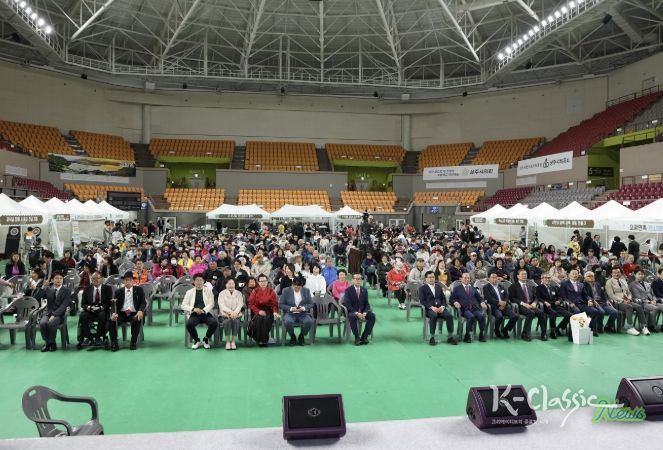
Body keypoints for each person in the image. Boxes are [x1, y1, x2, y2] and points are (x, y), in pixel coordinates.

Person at [109, 271, 146, 351]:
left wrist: (140, 311)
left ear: (133, 281)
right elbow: (113, 304)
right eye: (126, 280)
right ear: (123, 281)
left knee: (137, 318)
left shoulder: (139, 290)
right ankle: (114, 342)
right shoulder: (118, 291)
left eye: (130, 280)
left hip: (133, 313)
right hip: (122, 313)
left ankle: (133, 341)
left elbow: (143, 303)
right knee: (112, 320)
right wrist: (113, 313)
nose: (128, 282)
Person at [180, 274, 218, 349]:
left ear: (203, 281)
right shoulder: (189, 292)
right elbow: (183, 305)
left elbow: (211, 303)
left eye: (201, 280)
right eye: (197, 280)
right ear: (194, 282)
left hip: (206, 313)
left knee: (214, 323)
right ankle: (196, 340)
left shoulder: (209, 290)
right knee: (189, 324)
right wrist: (193, 309)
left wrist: (203, 310)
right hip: (194, 314)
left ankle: (206, 338)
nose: (199, 282)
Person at [419, 271, 457, 345]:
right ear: (426, 279)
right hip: (430, 309)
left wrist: (442, 306)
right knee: (434, 315)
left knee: (449, 316)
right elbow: (422, 301)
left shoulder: (438, 287)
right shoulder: (422, 288)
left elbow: (443, 299)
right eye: (430, 277)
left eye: (433, 277)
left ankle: (450, 337)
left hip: (440, 308)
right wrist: (431, 307)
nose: (432, 279)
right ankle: (432, 337)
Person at [509, 268, 547, 341]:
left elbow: (535, 297)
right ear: (518, 276)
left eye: (525, 274)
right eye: (522, 274)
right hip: (520, 306)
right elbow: (512, 298)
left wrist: (534, 302)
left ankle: (543, 333)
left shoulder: (530, 286)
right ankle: (525, 333)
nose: (524, 276)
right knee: (531, 313)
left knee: (542, 313)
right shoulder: (513, 286)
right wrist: (523, 303)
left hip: (531, 305)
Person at [560, 269, 599, 337]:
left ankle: (590, 329)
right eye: (573, 273)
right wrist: (569, 303)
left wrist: (589, 300)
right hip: (571, 304)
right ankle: (576, 332)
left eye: (576, 274)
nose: (574, 275)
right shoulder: (564, 284)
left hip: (581, 303)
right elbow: (563, 296)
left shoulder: (581, 284)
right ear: (569, 275)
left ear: (578, 275)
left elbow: (585, 295)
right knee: (578, 312)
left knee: (595, 311)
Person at [38, 271, 71, 352]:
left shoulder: (66, 290)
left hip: (60, 314)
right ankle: (47, 342)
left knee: (51, 323)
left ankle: (52, 343)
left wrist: (54, 315)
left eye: (61, 278)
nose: (59, 280)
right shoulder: (48, 289)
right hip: (48, 313)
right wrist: (43, 287)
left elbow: (64, 305)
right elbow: (38, 297)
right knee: (42, 323)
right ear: (52, 280)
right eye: (56, 278)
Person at [78, 270, 112, 346]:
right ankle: (89, 338)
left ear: (102, 279)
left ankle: (98, 337)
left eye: (97, 278)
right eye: (93, 278)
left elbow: (109, 302)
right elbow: (83, 304)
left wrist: (101, 308)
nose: (95, 280)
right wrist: (89, 307)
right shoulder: (87, 289)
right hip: (90, 310)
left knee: (102, 315)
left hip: (102, 310)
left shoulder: (107, 288)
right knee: (82, 315)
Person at [605, 267, 642, 336]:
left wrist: (629, 299)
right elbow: (611, 295)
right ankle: (630, 327)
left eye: (618, 272)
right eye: (614, 273)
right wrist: (622, 300)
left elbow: (629, 292)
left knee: (639, 307)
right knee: (629, 307)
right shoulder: (609, 282)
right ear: (611, 274)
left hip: (627, 300)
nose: (616, 274)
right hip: (616, 302)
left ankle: (644, 326)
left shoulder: (623, 281)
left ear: (620, 273)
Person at [450, 272, 487, 343]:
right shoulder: (457, 289)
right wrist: (455, 302)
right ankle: (467, 335)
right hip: (464, 309)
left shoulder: (473, 288)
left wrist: (482, 302)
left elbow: (480, 298)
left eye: (468, 278)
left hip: (474, 309)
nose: (467, 279)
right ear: (461, 279)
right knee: (471, 317)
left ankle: (481, 334)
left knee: (481, 316)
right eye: (465, 278)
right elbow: (451, 299)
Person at [280, 276, 314, 346]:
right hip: (290, 313)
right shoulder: (286, 291)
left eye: (299, 288)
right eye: (295, 287)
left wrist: (303, 308)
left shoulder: (306, 290)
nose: (297, 289)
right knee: (288, 322)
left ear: (302, 286)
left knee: (309, 321)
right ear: (292, 285)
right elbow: (281, 304)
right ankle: (292, 336)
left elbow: (311, 304)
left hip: (303, 313)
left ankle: (302, 335)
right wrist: (291, 308)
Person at [343, 273, 376, 345]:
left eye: (360, 279)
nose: (358, 281)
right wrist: (357, 313)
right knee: (352, 317)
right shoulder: (348, 290)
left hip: (363, 311)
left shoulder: (364, 290)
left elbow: (367, 304)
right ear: (352, 280)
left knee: (372, 316)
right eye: (356, 279)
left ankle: (364, 336)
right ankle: (357, 337)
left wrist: (365, 312)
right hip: (353, 312)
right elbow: (347, 304)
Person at [248, 274, 280, 347]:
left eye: (265, 281)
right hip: (257, 309)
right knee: (259, 319)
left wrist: (275, 312)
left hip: (268, 310)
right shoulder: (255, 291)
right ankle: (259, 340)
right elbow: (250, 304)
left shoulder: (271, 291)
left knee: (266, 318)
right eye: (261, 281)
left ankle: (264, 340)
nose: (263, 283)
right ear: (258, 282)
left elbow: (274, 304)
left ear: (267, 281)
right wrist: (258, 311)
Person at [483, 271, 517, 339]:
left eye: (496, 277)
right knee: (499, 316)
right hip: (493, 306)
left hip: (504, 305)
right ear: (488, 278)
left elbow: (507, 296)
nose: (495, 279)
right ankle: (496, 330)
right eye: (493, 277)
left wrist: (504, 302)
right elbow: (489, 298)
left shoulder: (501, 286)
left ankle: (505, 330)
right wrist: (499, 303)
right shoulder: (486, 287)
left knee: (514, 316)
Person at [629, 269, 663, 334]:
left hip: (652, 301)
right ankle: (651, 326)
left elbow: (652, 293)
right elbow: (637, 297)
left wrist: (654, 299)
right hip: (642, 303)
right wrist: (649, 302)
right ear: (635, 275)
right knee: (655, 308)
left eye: (642, 274)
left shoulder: (646, 283)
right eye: (639, 274)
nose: (641, 275)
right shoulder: (632, 285)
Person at [537, 273, 569, 339]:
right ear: (542, 279)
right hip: (545, 306)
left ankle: (558, 328)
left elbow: (559, 296)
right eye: (545, 278)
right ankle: (552, 331)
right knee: (553, 313)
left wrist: (559, 300)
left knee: (569, 315)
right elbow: (538, 297)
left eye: (549, 278)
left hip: (555, 305)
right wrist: (544, 302)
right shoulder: (539, 288)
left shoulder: (554, 287)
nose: (547, 279)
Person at [218, 278, 244, 350]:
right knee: (227, 322)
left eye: (232, 283)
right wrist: (230, 313)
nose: (231, 285)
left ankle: (233, 341)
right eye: (229, 283)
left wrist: (235, 313)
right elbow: (222, 305)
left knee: (235, 321)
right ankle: (227, 342)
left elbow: (240, 304)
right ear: (225, 285)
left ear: (235, 284)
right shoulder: (221, 293)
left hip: (236, 314)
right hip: (225, 314)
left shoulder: (239, 293)